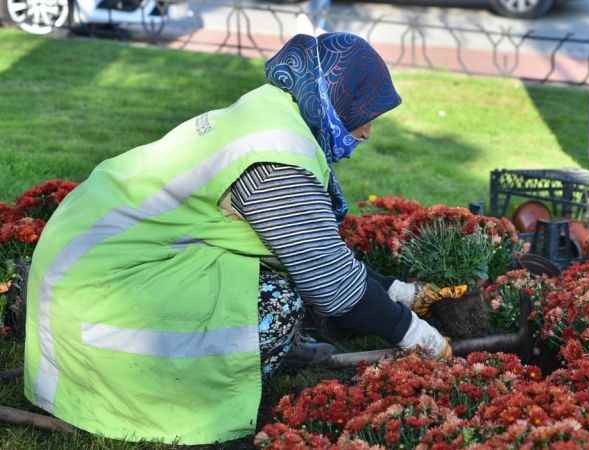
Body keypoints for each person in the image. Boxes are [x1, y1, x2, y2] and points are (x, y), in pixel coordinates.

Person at [23, 32, 449, 444]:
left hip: (91, 274)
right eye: (363, 115)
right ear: (337, 97)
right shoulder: (275, 159)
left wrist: (401, 292)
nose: (366, 132)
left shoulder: (272, 117)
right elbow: (331, 284)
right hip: (95, 313)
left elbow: (318, 249)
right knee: (278, 303)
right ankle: (189, 397)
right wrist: (416, 335)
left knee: (279, 279)